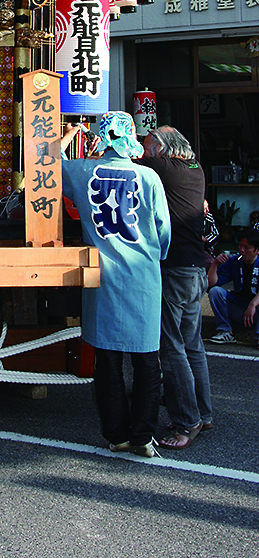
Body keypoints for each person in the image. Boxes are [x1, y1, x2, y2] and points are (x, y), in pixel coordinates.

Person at [61, 112, 171, 458]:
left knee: (106, 360)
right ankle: (143, 437)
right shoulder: (149, 177)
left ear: (101, 136)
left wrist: (68, 135)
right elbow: (164, 232)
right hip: (143, 277)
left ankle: (116, 434)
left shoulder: (82, 171)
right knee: (146, 361)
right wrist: (155, 254)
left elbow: (47, 162)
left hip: (103, 275)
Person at [139, 126, 213, 450]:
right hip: (196, 269)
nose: (147, 151)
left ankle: (186, 421)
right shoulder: (195, 170)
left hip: (175, 269)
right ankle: (204, 413)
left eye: (150, 145)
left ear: (162, 147)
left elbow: (130, 163)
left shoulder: (163, 166)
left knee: (171, 348)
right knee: (193, 344)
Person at [207, 230, 259, 348]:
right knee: (215, 292)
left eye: (247, 247)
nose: (242, 250)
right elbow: (212, 283)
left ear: (257, 250)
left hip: (255, 311)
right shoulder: (234, 261)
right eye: (240, 246)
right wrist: (215, 264)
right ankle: (225, 331)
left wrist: (252, 305)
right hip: (238, 306)